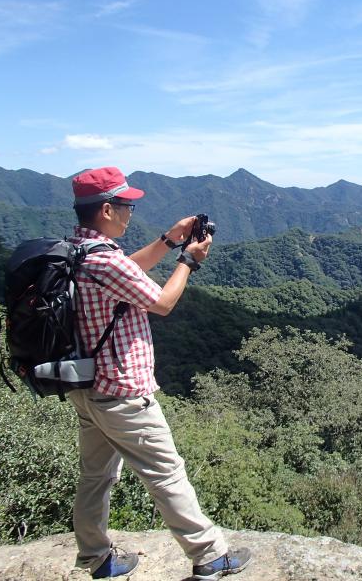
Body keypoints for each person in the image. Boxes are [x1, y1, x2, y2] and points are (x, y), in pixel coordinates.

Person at [67, 166, 252, 579]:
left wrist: (169, 239)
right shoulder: (104, 260)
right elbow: (163, 303)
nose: (130, 213)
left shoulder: (80, 251)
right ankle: (209, 555)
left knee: (95, 475)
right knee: (166, 473)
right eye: (127, 205)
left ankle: (96, 557)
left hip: (88, 386)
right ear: (107, 210)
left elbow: (128, 271)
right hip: (121, 390)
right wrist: (188, 260)